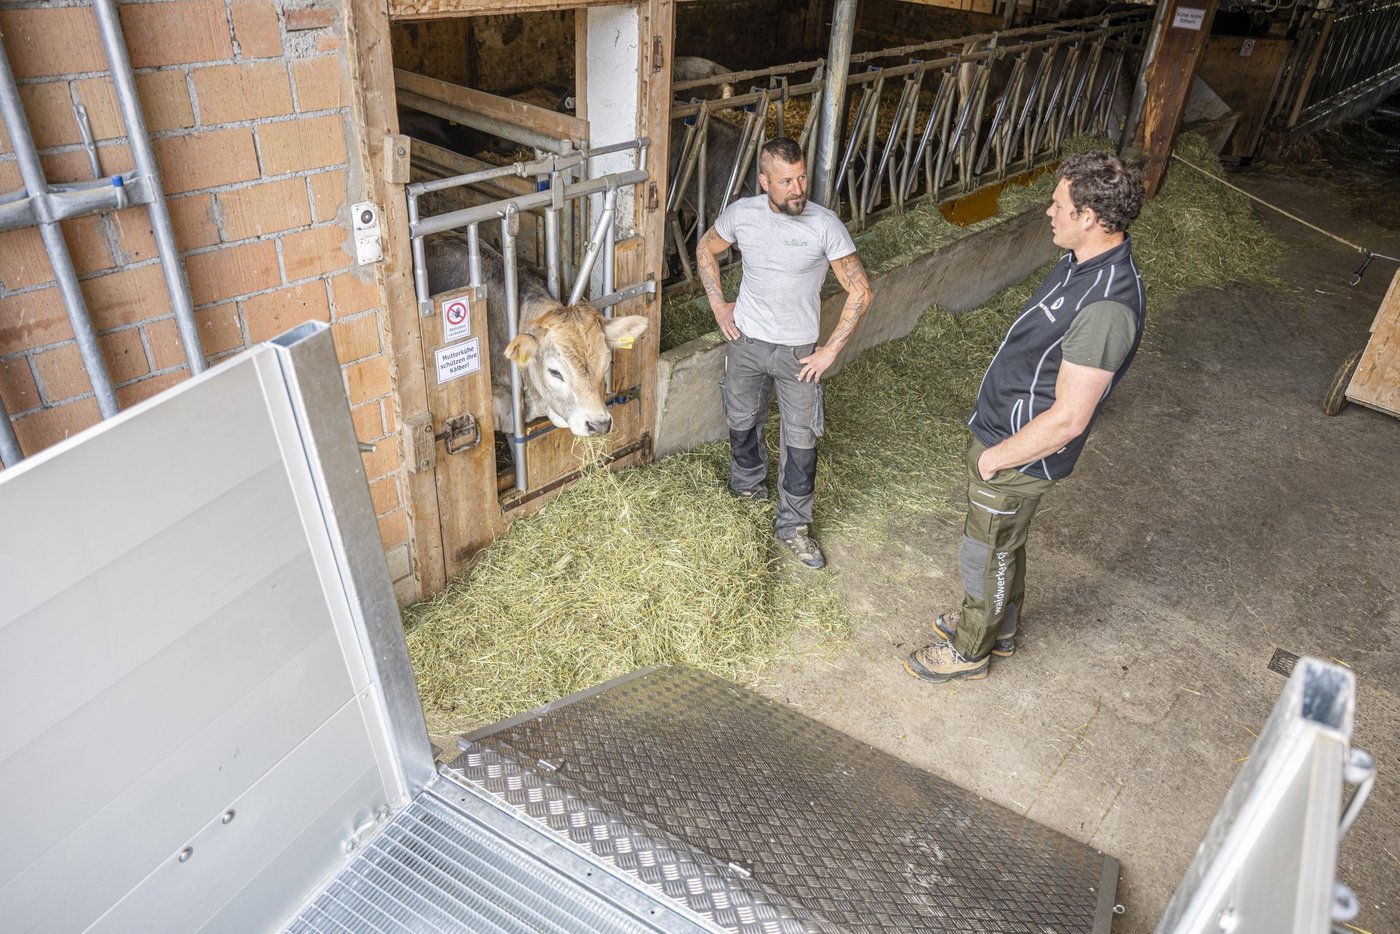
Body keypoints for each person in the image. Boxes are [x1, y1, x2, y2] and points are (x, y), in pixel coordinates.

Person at [905, 150, 1146, 682]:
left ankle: (971, 650)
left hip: (1019, 448)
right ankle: (1001, 625)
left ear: (1089, 217)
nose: (1048, 212)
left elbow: (1069, 418)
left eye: (1058, 204)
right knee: (1005, 542)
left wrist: (996, 459)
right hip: (1008, 431)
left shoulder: (1107, 306)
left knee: (984, 550)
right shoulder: (1082, 264)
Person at [696, 137, 874, 569]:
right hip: (747, 343)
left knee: (801, 440)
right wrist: (719, 304)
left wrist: (830, 350)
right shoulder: (742, 215)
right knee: (741, 421)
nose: (797, 189)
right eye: (785, 181)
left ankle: (793, 526)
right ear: (764, 182)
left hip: (799, 354)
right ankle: (748, 493)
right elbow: (706, 248)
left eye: (801, 178)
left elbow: (861, 291)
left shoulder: (824, 224)